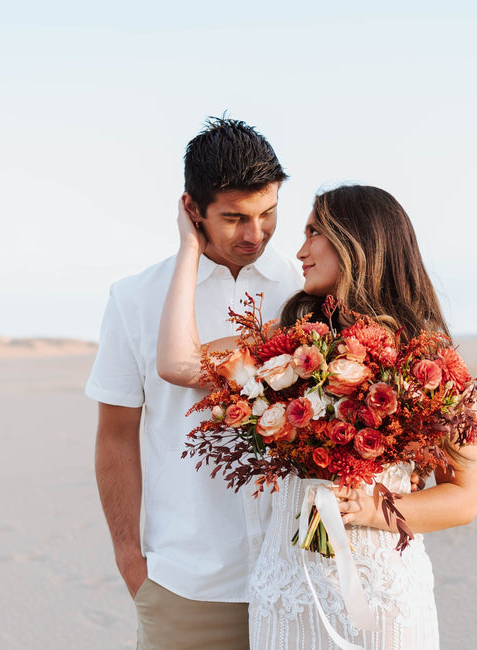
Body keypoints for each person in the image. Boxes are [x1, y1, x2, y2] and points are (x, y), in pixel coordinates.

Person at [157, 185, 477, 650]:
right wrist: (190, 247)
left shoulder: (430, 365)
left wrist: (374, 509)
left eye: (313, 232)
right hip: (288, 593)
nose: (299, 250)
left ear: (355, 243)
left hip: (381, 598)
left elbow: (463, 499)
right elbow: (177, 362)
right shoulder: (288, 347)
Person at [85, 117, 303, 650]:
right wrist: (130, 560)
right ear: (191, 210)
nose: (254, 235)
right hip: (185, 584)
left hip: (301, 575)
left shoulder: (308, 292)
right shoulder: (135, 298)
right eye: (233, 219)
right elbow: (116, 434)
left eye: (268, 213)